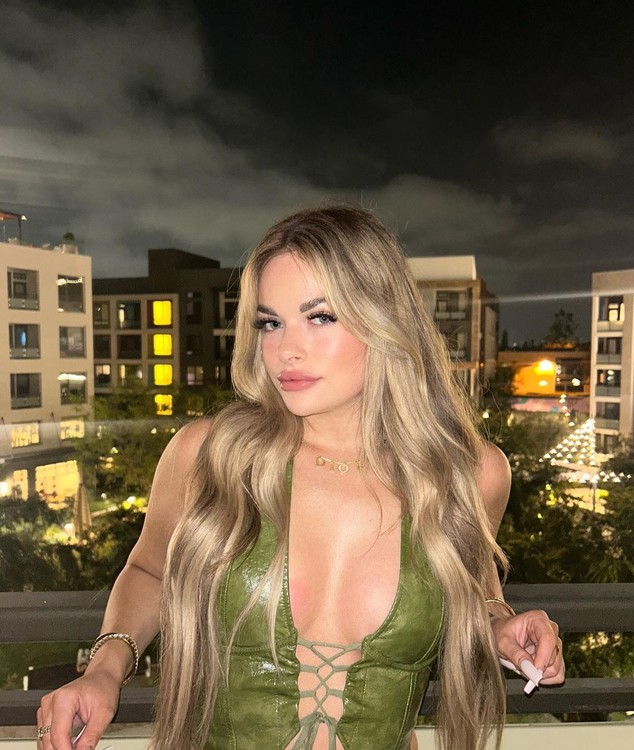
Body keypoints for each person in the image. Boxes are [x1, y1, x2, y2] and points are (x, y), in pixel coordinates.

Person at [38, 205, 564, 750]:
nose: (286, 350)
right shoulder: (211, 457)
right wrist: (104, 670)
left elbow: (473, 590)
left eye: (320, 317)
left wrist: (499, 627)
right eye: (270, 322)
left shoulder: (468, 476)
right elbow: (150, 571)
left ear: (383, 319)